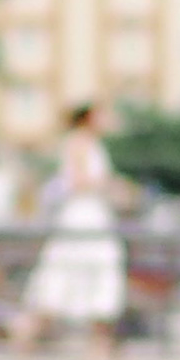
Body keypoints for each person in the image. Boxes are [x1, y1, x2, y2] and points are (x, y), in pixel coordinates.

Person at [17, 105, 126, 346]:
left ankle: (100, 344)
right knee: (66, 273)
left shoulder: (90, 144)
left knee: (94, 274)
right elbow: (77, 181)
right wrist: (110, 186)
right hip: (83, 214)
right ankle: (27, 334)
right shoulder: (78, 142)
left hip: (94, 214)